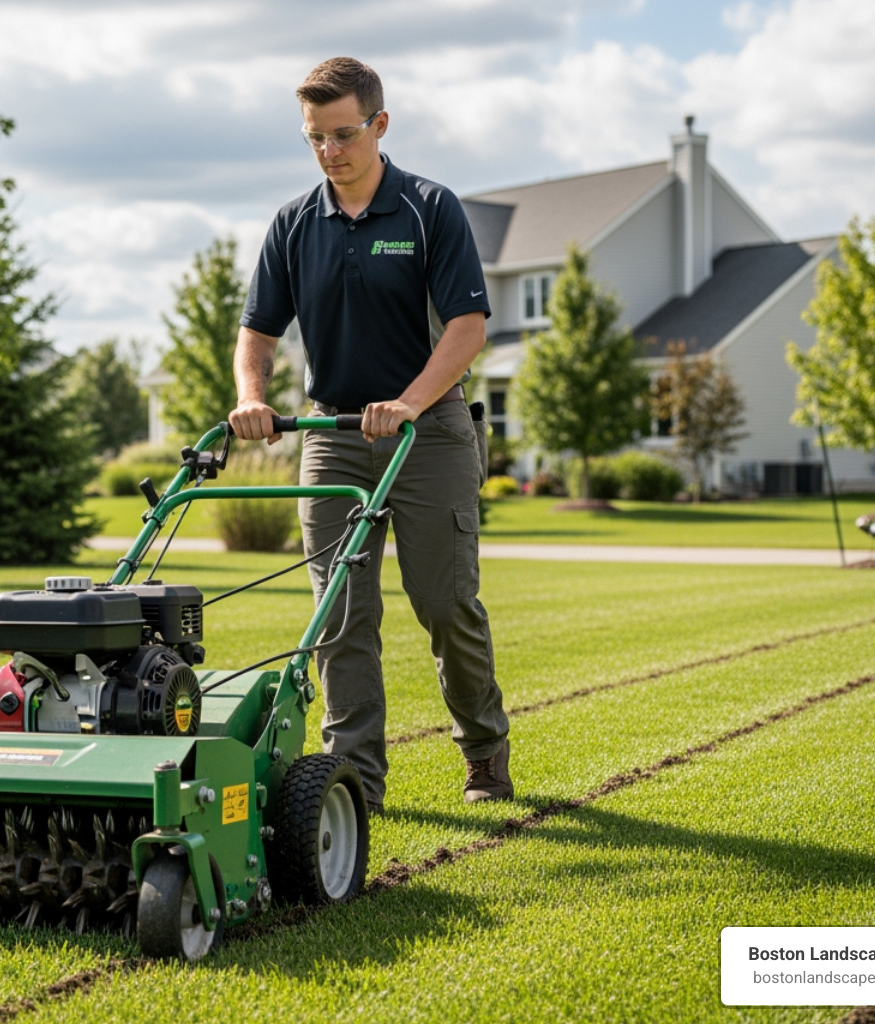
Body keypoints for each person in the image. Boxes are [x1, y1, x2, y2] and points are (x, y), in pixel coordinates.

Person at [228, 57, 512, 813]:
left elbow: (468, 326)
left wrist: (410, 403)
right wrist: (251, 398)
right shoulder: (294, 224)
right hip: (332, 433)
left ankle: (484, 752)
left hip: (430, 431)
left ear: (379, 124)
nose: (329, 151)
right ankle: (354, 782)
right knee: (340, 614)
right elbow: (257, 332)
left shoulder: (428, 208)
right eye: (314, 137)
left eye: (343, 134)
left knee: (445, 604)